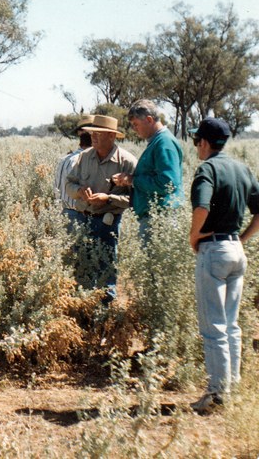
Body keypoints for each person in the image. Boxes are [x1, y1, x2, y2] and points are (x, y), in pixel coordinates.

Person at [187, 117, 259, 414]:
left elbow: (202, 206)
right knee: (230, 324)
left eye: (196, 142)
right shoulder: (243, 168)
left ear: (204, 143)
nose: (196, 148)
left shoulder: (207, 169)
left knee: (213, 326)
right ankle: (231, 386)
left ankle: (217, 394)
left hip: (213, 250)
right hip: (235, 250)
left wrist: (194, 236)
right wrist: (242, 238)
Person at [66, 115, 137, 302]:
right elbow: (69, 183)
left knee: (106, 269)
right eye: (93, 133)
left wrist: (109, 198)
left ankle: (104, 313)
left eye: (100, 133)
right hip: (83, 219)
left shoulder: (127, 162)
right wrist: (80, 192)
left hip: (108, 224)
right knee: (81, 266)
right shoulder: (84, 157)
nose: (94, 137)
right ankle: (83, 307)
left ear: (112, 137)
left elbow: (136, 198)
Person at [113, 99, 183, 241]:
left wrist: (133, 180)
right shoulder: (157, 142)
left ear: (149, 120)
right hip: (154, 218)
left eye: (136, 124)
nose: (134, 129)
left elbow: (167, 183)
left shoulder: (164, 143)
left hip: (160, 220)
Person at [54, 115, 94, 226]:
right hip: (78, 215)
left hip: (61, 212)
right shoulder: (84, 161)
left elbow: (56, 189)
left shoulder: (64, 159)